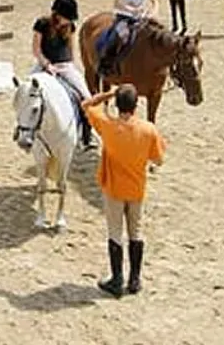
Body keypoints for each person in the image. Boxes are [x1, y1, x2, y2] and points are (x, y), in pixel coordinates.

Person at [83, 84, 165, 298]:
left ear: (118, 105)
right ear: (136, 105)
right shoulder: (148, 129)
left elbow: (87, 104)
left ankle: (117, 279)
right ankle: (135, 279)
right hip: (136, 189)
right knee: (136, 232)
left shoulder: (108, 126)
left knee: (115, 233)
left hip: (113, 187)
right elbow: (158, 159)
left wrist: (109, 93)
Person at [32, 0, 96, 151]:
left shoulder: (71, 27)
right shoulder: (42, 24)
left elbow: (71, 49)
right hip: (45, 64)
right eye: (65, 18)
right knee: (27, 92)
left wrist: (71, 67)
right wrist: (46, 65)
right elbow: (36, 49)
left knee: (87, 97)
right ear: (57, 14)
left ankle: (88, 135)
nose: (68, 21)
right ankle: (25, 129)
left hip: (65, 65)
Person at [103, 0, 161, 72]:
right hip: (123, 16)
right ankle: (108, 63)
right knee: (119, 37)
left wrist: (151, 13)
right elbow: (117, 3)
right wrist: (131, 10)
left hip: (140, 18)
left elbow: (155, 2)